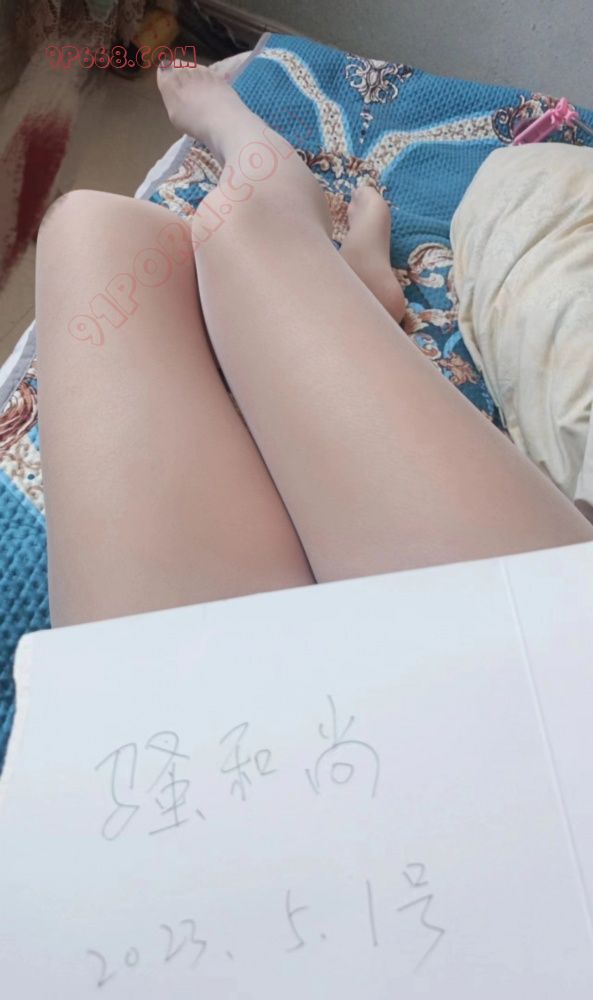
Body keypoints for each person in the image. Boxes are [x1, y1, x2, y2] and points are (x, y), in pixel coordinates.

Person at [35, 62, 593, 627]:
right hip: (545, 649)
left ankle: (293, 218)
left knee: (88, 232)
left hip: (168, 679)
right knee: (219, 226)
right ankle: (315, 258)